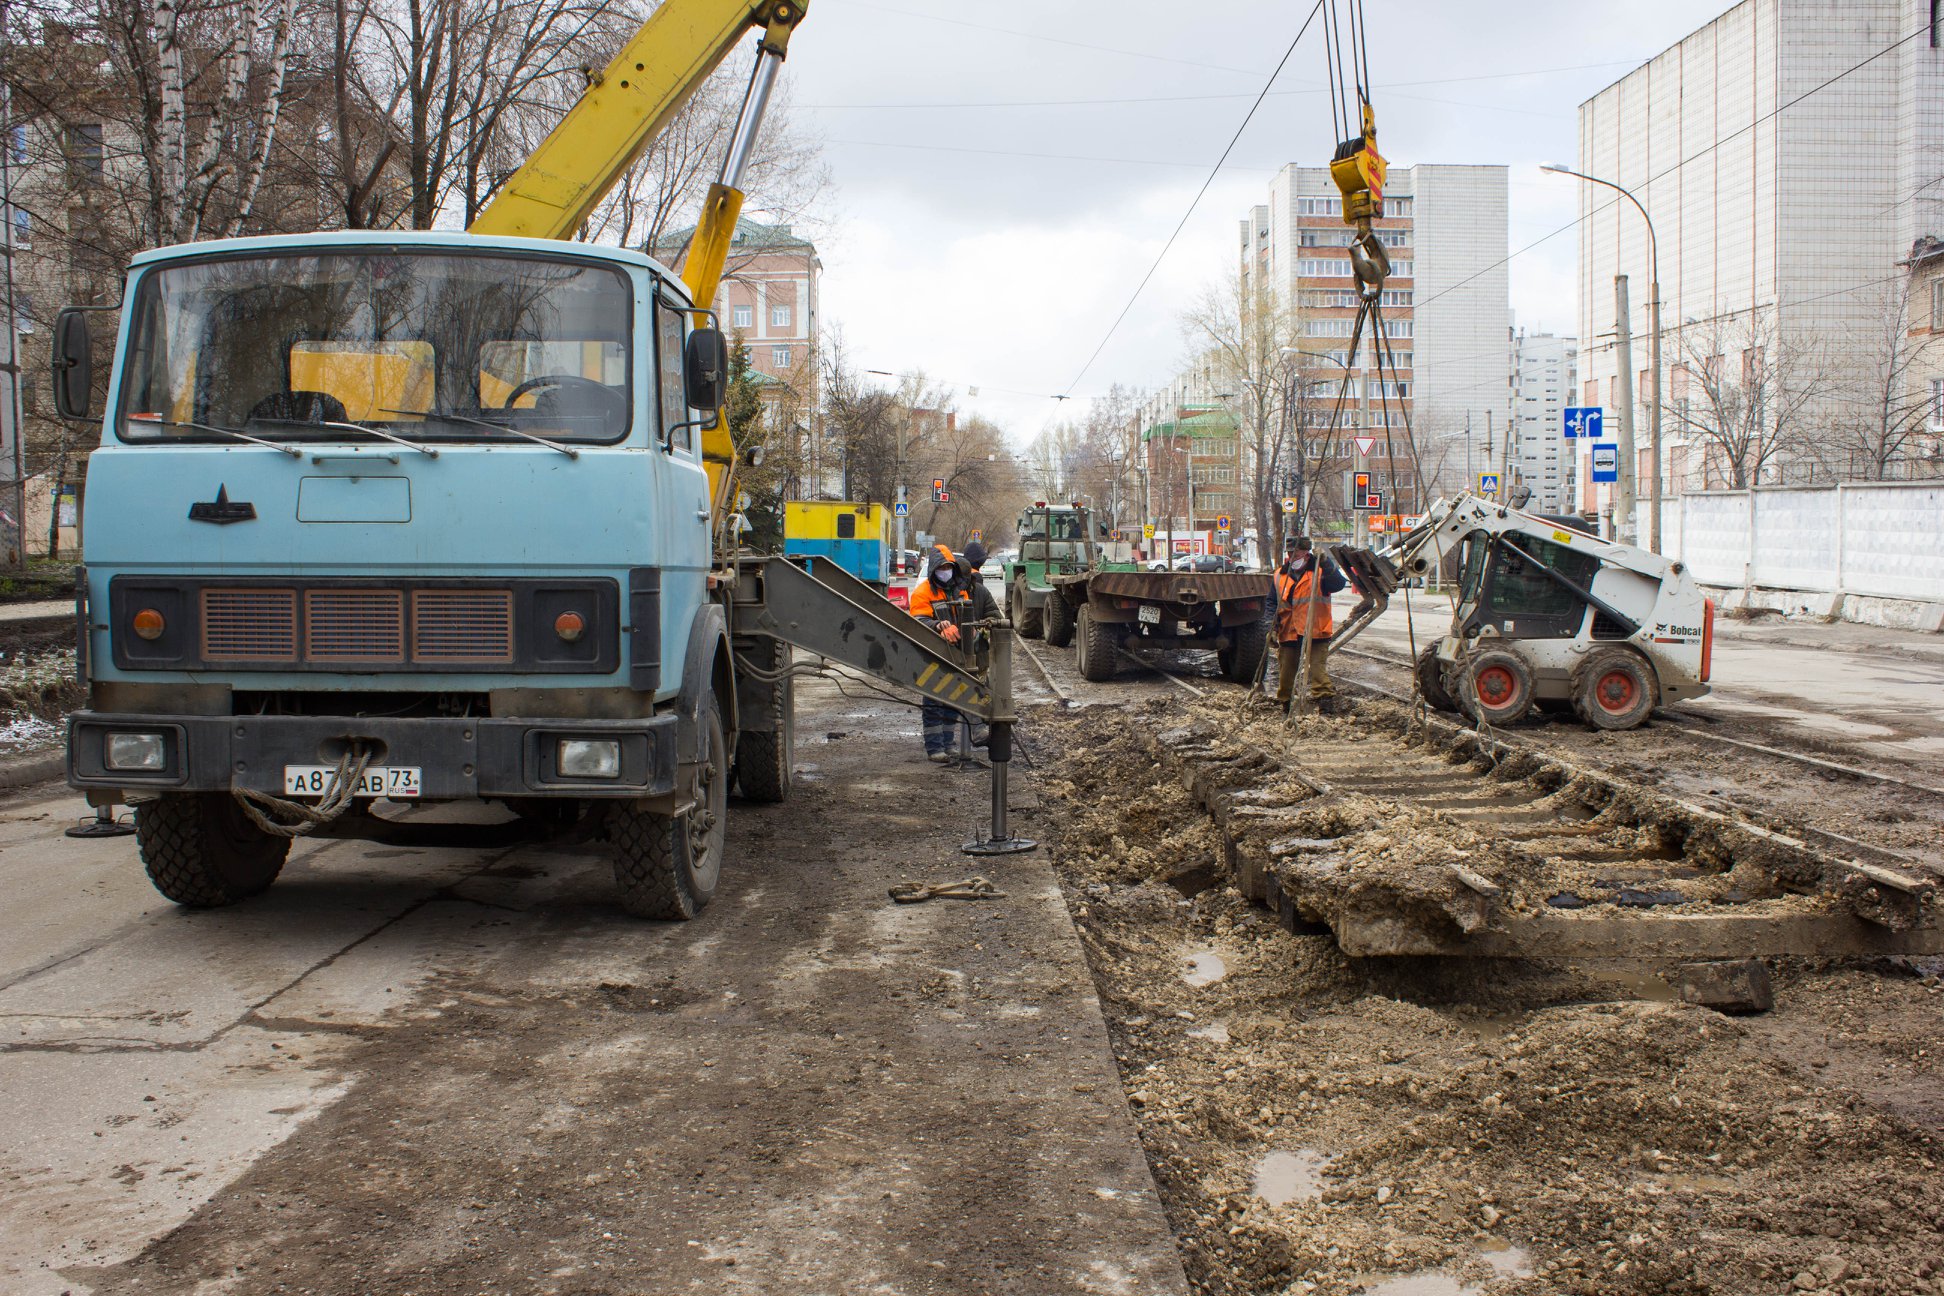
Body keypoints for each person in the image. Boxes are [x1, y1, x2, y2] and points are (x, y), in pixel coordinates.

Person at [1273, 535, 1348, 713]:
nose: (1292, 558)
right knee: (1286, 672)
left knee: (1317, 670)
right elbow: (1272, 602)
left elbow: (1338, 584)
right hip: (1289, 631)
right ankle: (1287, 704)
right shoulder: (1280, 574)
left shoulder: (1320, 572)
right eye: (1290, 554)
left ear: (1307, 554)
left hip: (1316, 630)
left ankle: (1326, 706)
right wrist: (1272, 627)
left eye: (1296, 554)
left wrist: (1326, 563)